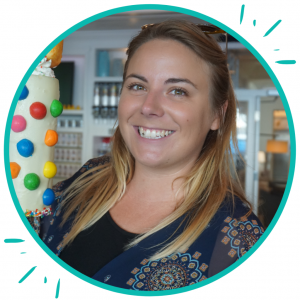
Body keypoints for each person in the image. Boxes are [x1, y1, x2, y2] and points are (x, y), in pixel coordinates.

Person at [42, 20, 264, 291]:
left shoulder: (238, 236)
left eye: (177, 91)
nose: (149, 107)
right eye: (137, 86)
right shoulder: (88, 177)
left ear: (217, 114)